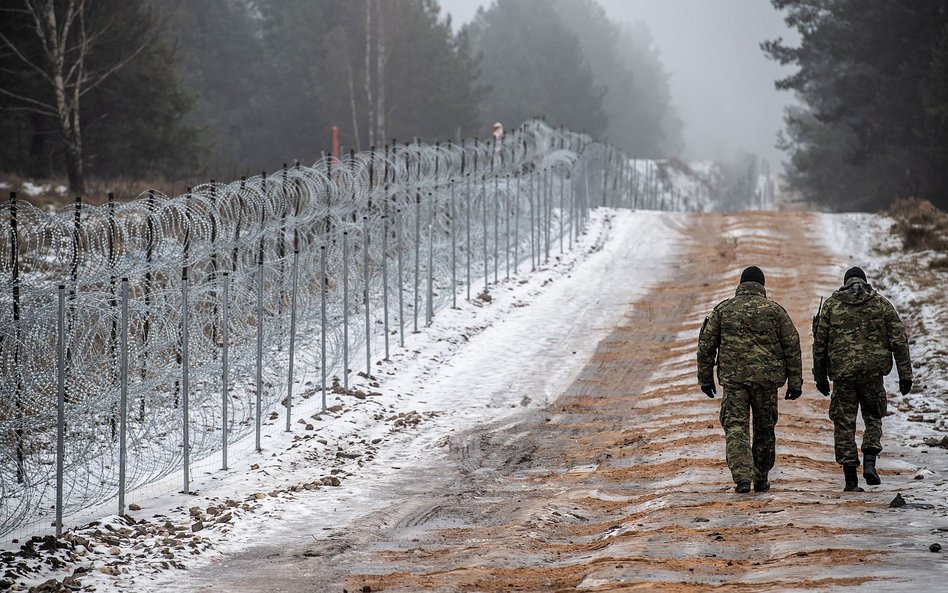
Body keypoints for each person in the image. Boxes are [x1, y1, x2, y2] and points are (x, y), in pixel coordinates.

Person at [697, 266, 803, 493]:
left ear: (741, 285)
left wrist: (706, 379)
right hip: (766, 382)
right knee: (765, 429)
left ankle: (742, 478)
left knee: (736, 428)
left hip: (735, 383)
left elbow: (706, 346)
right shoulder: (775, 311)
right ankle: (761, 477)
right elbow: (792, 346)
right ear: (762, 286)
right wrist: (795, 382)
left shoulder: (723, 310)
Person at [812, 266, 913, 492]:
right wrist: (905, 375)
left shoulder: (832, 306)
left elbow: (820, 344)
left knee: (844, 424)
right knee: (873, 416)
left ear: (845, 282)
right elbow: (899, 340)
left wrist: (820, 377)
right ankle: (869, 462)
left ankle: (850, 479)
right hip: (872, 374)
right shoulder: (881, 304)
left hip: (843, 376)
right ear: (864, 281)